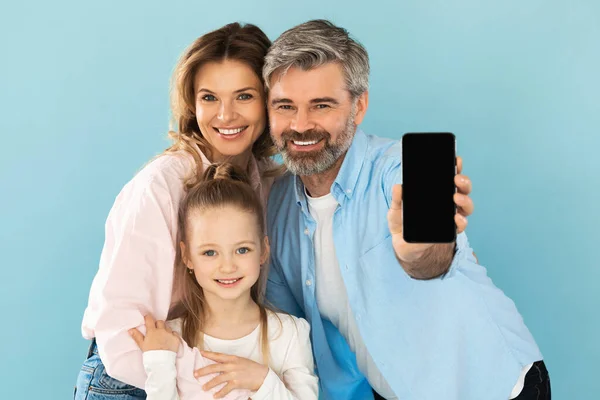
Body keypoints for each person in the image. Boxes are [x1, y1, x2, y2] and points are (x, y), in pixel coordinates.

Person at [263, 20, 550, 400]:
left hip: (489, 387)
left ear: (358, 105)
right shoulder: (277, 206)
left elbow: (428, 260)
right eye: (285, 106)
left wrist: (416, 245)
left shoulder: (397, 170)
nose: (300, 125)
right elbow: (288, 330)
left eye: (321, 105)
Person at [75, 22, 281, 400]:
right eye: (209, 98)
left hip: (210, 377)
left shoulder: (266, 183)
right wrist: (233, 383)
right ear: (191, 103)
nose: (226, 115)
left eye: (244, 96)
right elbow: (121, 334)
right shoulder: (159, 188)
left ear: (269, 100)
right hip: (132, 381)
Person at [128, 163, 318, 400]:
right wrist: (159, 362)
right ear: (187, 256)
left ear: (263, 250)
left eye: (242, 250)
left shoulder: (290, 335)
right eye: (210, 252)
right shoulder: (172, 338)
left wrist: (262, 380)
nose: (227, 266)